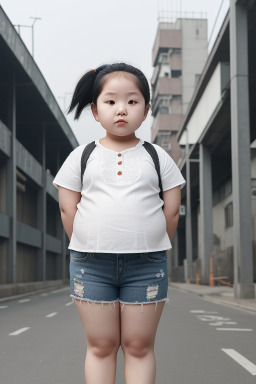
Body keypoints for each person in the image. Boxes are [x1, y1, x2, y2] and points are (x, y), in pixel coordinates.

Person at [52, 62, 186, 384]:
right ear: (96, 111)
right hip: (90, 264)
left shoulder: (158, 156)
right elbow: (68, 209)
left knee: (139, 346)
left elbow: (172, 210)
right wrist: (88, 243)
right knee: (101, 346)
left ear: (147, 109)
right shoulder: (81, 156)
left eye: (132, 101)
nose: (121, 109)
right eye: (110, 102)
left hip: (147, 264)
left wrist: (151, 244)